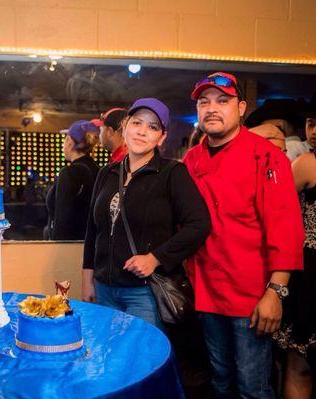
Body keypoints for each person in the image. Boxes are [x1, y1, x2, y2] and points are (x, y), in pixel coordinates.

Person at [183, 72, 305, 398]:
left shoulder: (267, 156)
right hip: (206, 292)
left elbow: (286, 227)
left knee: (252, 387)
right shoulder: (191, 160)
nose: (212, 108)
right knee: (220, 381)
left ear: (241, 107)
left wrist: (276, 292)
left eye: (222, 101)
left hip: (251, 297)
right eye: (204, 102)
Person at [82, 98, 211, 330]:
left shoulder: (173, 173)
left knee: (139, 361)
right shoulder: (107, 173)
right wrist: (87, 280)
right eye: (137, 123)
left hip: (144, 293)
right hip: (104, 289)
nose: (142, 132)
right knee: (107, 358)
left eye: (152, 127)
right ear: (125, 127)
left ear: (161, 137)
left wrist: (155, 258)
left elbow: (199, 224)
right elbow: (93, 230)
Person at [273, 101, 316, 399]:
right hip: (310, 276)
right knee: (300, 365)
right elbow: (276, 213)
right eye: (311, 123)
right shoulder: (308, 164)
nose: (314, 131)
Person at [45, 120, 100, 240]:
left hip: (70, 248)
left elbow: (62, 220)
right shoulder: (99, 171)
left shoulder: (69, 173)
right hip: (91, 245)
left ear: (69, 142)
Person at [246, 98, 310, 162]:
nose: (262, 129)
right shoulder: (305, 147)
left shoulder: (289, 148)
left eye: (267, 126)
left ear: (281, 124)